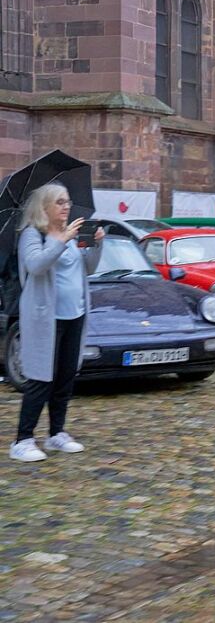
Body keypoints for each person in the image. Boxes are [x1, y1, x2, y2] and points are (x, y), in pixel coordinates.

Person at [11, 183, 105, 463]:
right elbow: (36, 265)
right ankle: (23, 440)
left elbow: (88, 268)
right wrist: (60, 240)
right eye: (60, 202)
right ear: (45, 207)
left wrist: (97, 243)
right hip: (45, 318)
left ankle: (56, 433)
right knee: (41, 378)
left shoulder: (70, 235)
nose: (66, 206)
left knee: (65, 377)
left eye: (68, 201)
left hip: (74, 314)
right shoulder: (33, 234)